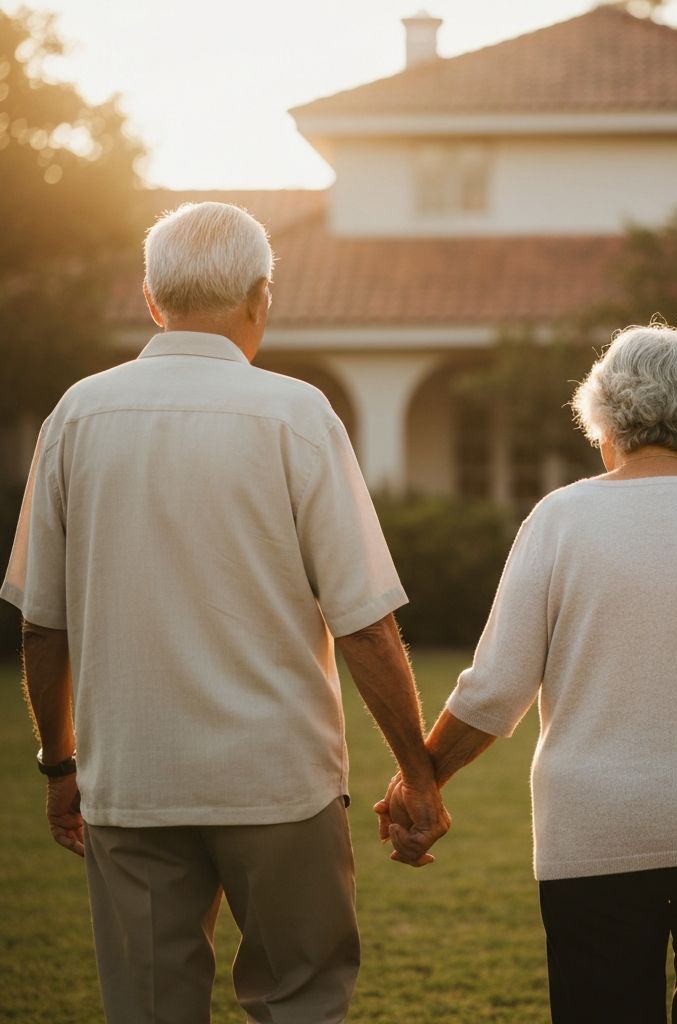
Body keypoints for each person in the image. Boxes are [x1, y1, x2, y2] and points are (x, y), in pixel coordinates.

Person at [2, 201, 449, 1024]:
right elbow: (365, 624)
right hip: (279, 784)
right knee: (302, 1005)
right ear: (259, 298)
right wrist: (418, 777)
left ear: (150, 298)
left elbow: (42, 623)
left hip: (130, 779)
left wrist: (60, 766)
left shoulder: (76, 416)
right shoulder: (297, 415)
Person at [379, 322, 677, 1024]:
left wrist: (422, 782)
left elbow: (497, 688)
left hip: (594, 831)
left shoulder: (559, 520)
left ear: (603, 413)